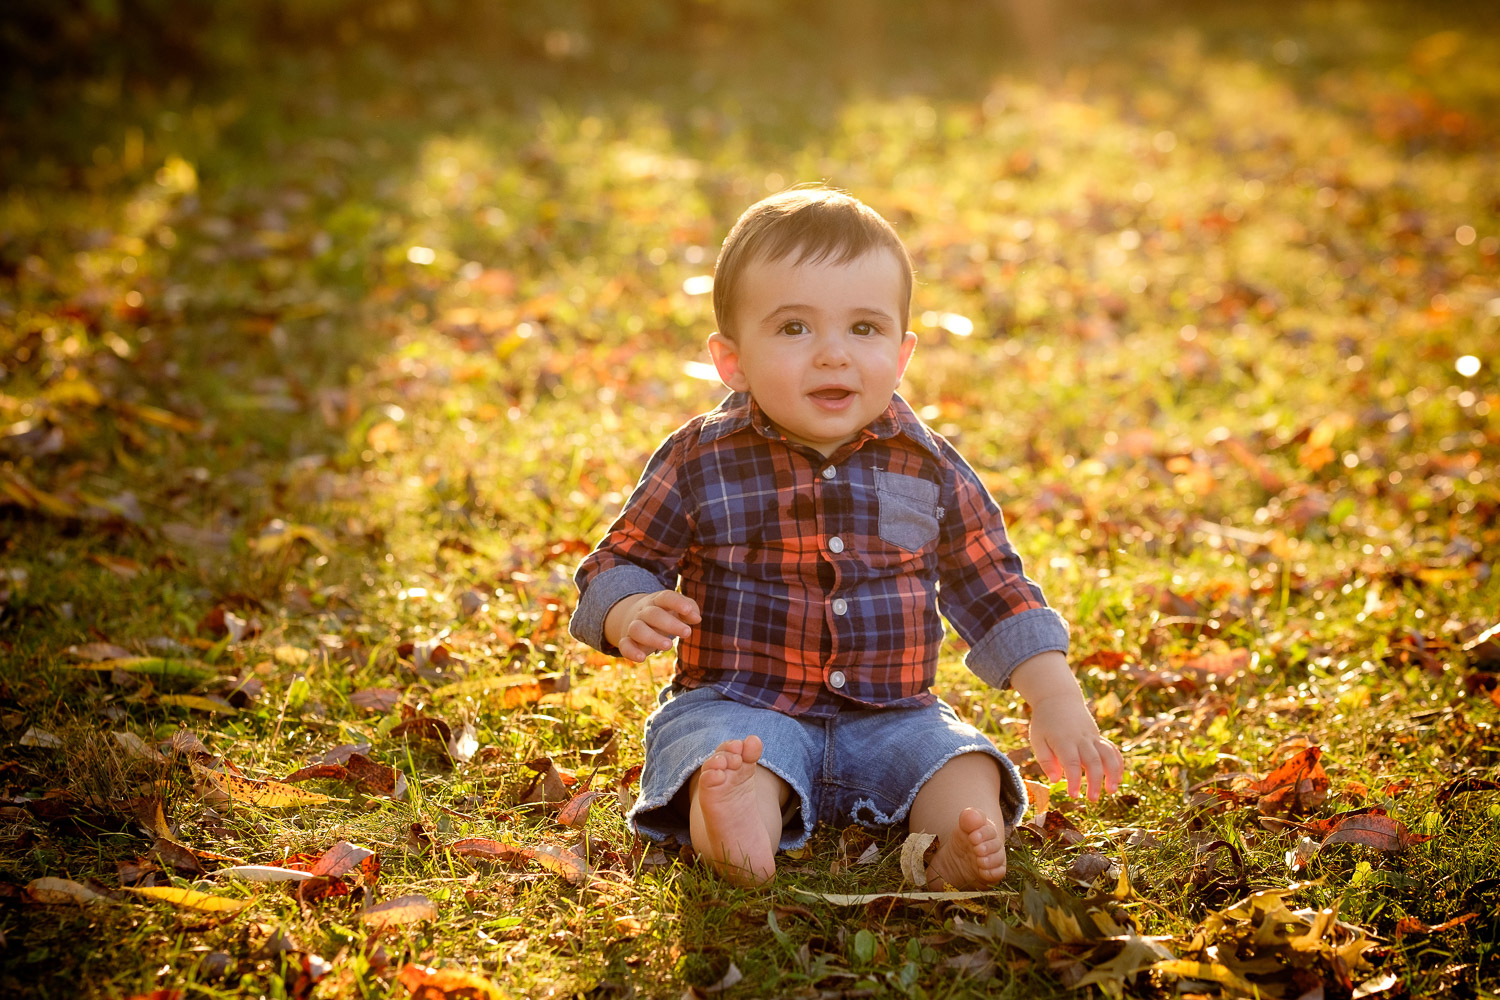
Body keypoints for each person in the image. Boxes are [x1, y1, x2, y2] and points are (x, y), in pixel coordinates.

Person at [569, 186, 1122, 888]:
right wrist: (628, 609)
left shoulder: (929, 466)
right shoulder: (700, 458)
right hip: (743, 704)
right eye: (795, 328)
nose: (833, 355)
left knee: (963, 762)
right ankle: (738, 830)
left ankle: (955, 845)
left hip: (893, 715)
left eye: (863, 329)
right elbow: (620, 561)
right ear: (731, 360)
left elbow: (993, 585)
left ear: (901, 353)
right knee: (720, 756)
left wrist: (1055, 696)